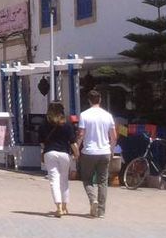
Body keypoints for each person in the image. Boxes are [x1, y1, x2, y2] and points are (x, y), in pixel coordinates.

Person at [78, 90, 117, 219]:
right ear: (100, 100)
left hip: (89, 152)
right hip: (104, 151)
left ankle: (92, 199)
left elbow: (81, 134)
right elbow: (114, 136)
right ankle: (101, 211)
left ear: (89, 100)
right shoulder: (108, 115)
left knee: (87, 179)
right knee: (103, 181)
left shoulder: (84, 115)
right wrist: (111, 150)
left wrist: (76, 149)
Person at [39, 102, 78, 217]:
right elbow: (73, 142)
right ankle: (65, 207)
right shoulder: (67, 124)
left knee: (54, 180)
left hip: (50, 153)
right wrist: (77, 154)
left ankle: (59, 207)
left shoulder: (44, 124)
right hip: (65, 154)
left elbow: (41, 143)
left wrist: (43, 152)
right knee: (64, 180)